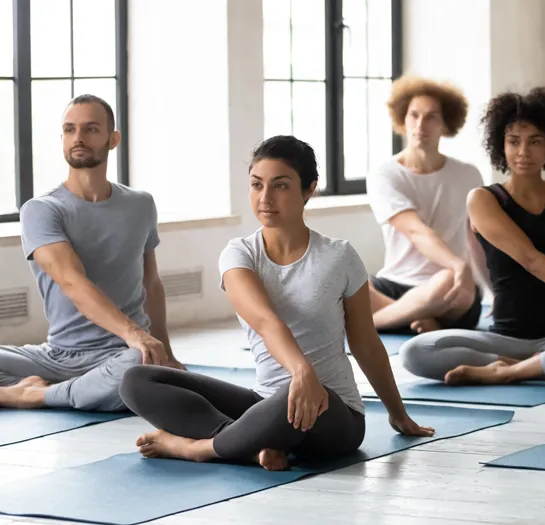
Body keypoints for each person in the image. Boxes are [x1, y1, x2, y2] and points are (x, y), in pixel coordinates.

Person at [119, 136, 433, 471]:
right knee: (137, 380)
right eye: (257, 185)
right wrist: (300, 370)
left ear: (309, 189)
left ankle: (198, 449)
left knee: (291, 396)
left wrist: (398, 415)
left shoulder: (339, 256)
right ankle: (253, 445)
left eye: (280, 185)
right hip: (266, 404)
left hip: (334, 414)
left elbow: (366, 342)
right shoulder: (239, 254)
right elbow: (266, 321)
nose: (265, 198)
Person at [398, 87, 545, 386]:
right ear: (501, 145)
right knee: (415, 352)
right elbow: (530, 259)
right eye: (514, 142)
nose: (523, 152)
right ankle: (538, 366)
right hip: (506, 339)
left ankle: (511, 371)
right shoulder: (483, 199)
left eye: (535, 141)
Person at [0, 94, 180, 412]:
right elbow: (73, 283)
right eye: (69, 129)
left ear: (113, 139)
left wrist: (165, 352)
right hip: (58, 355)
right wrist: (137, 334)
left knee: (136, 371)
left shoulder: (141, 204)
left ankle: (33, 394)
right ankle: (47, 390)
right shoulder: (41, 210)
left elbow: (151, 283)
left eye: (90, 129)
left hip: (123, 353)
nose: (78, 138)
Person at [366, 75, 485, 335]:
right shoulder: (384, 175)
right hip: (394, 284)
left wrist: (493, 289)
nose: (421, 125)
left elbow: (477, 239)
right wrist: (458, 264)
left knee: (449, 283)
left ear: (445, 123)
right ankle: (421, 321)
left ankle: (375, 322)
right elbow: (416, 232)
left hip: (449, 287)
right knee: (343, 283)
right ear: (403, 119)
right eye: (414, 115)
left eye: (431, 117)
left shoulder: (469, 175)